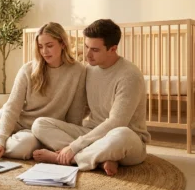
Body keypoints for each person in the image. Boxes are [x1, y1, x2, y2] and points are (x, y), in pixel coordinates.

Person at [31, 19, 151, 176]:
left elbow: (116, 123)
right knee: (40, 124)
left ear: (113, 49)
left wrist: (74, 146)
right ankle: (97, 159)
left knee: (122, 134)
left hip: (126, 139)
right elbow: (81, 108)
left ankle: (66, 158)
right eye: (86, 46)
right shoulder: (89, 70)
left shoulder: (130, 76)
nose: (87, 54)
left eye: (94, 49)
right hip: (92, 131)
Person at [0, 22, 87, 161]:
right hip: (15, 118)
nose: (44, 52)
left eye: (49, 46)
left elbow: (75, 115)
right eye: (40, 47)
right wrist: (0, 140)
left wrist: (61, 140)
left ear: (63, 44)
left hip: (37, 130)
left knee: (22, 149)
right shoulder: (28, 69)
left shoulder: (79, 71)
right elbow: (12, 107)